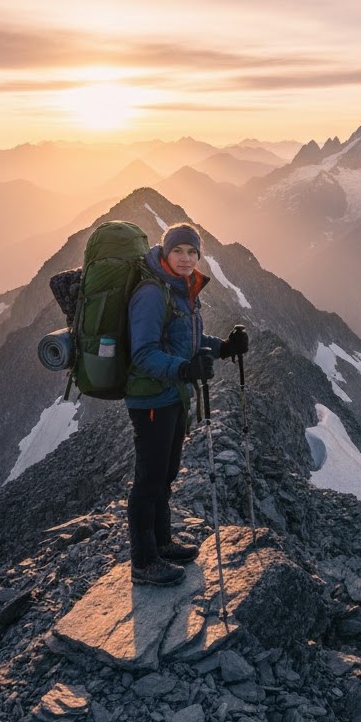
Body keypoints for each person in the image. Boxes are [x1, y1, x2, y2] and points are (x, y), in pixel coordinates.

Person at [125, 223, 249, 586]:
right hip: (151, 398)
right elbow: (143, 353)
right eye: (178, 250)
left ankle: (162, 543)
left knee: (166, 473)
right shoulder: (152, 293)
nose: (186, 258)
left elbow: (188, 340)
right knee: (149, 479)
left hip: (173, 396)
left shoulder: (182, 290)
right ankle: (143, 561)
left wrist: (223, 347)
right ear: (165, 253)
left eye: (192, 252)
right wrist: (184, 369)